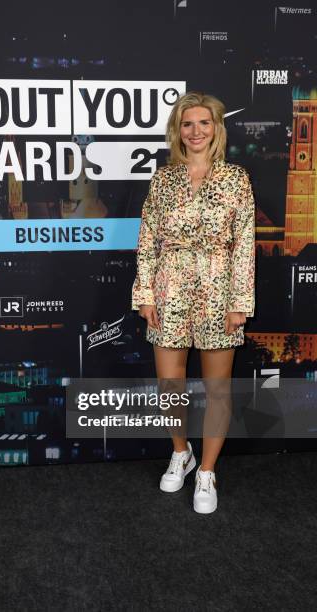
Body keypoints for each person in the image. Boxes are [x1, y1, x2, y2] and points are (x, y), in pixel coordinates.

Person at [131, 91, 255, 514]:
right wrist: (145, 293)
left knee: (217, 389)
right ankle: (180, 453)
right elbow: (147, 240)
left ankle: (206, 471)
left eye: (204, 123)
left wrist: (240, 302)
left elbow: (243, 245)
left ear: (216, 129)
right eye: (188, 124)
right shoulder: (163, 179)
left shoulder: (236, 178)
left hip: (219, 288)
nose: (196, 131)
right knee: (170, 385)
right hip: (169, 286)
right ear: (178, 131)